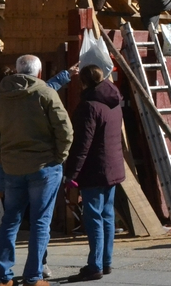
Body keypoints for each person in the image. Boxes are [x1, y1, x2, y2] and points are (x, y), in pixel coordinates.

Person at [0, 55, 73, 286]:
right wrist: (58, 158)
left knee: (10, 220)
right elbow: (65, 131)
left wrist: (4, 158)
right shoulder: (45, 94)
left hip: (13, 168)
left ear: (17, 72)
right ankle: (33, 277)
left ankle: (2, 277)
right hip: (44, 167)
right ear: (39, 73)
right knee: (40, 221)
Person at [65, 65, 125, 283]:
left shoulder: (88, 106)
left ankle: (95, 265)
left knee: (93, 218)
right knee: (107, 215)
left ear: (83, 82)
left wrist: (71, 173)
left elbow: (82, 144)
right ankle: (105, 261)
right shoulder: (114, 102)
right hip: (113, 166)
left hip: (94, 169)